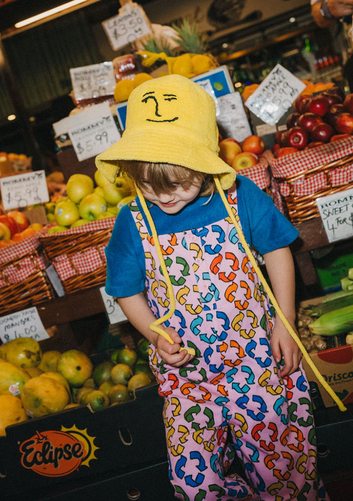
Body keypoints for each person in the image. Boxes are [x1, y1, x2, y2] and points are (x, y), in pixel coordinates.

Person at [95, 74, 331, 500]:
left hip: (259, 362)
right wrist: (154, 333)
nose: (164, 197)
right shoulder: (132, 221)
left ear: (205, 162)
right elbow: (126, 290)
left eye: (178, 184)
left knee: (284, 469)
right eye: (148, 185)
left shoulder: (239, 197)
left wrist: (285, 318)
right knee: (195, 483)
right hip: (186, 379)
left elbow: (278, 250)